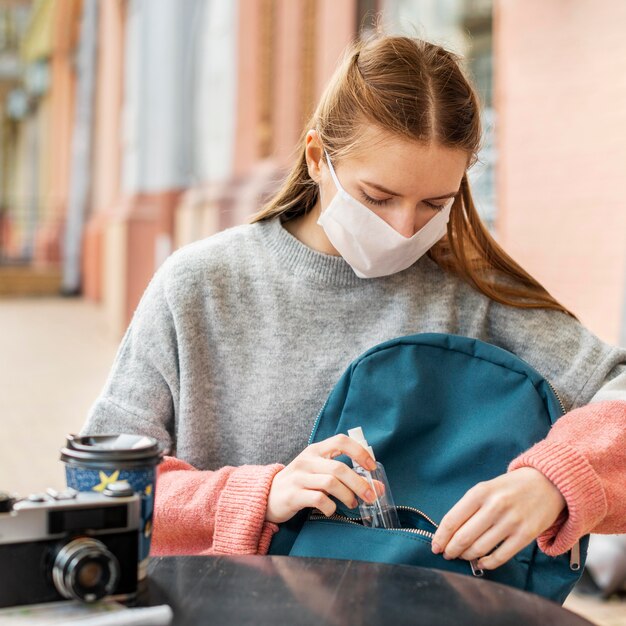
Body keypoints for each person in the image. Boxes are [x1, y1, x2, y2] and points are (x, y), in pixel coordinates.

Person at [82, 35, 626, 572]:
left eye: (436, 203)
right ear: (319, 157)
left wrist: (555, 478)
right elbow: (100, 491)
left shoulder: (471, 295)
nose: (405, 227)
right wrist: (259, 494)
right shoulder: (200, 285)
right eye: (378, 197)